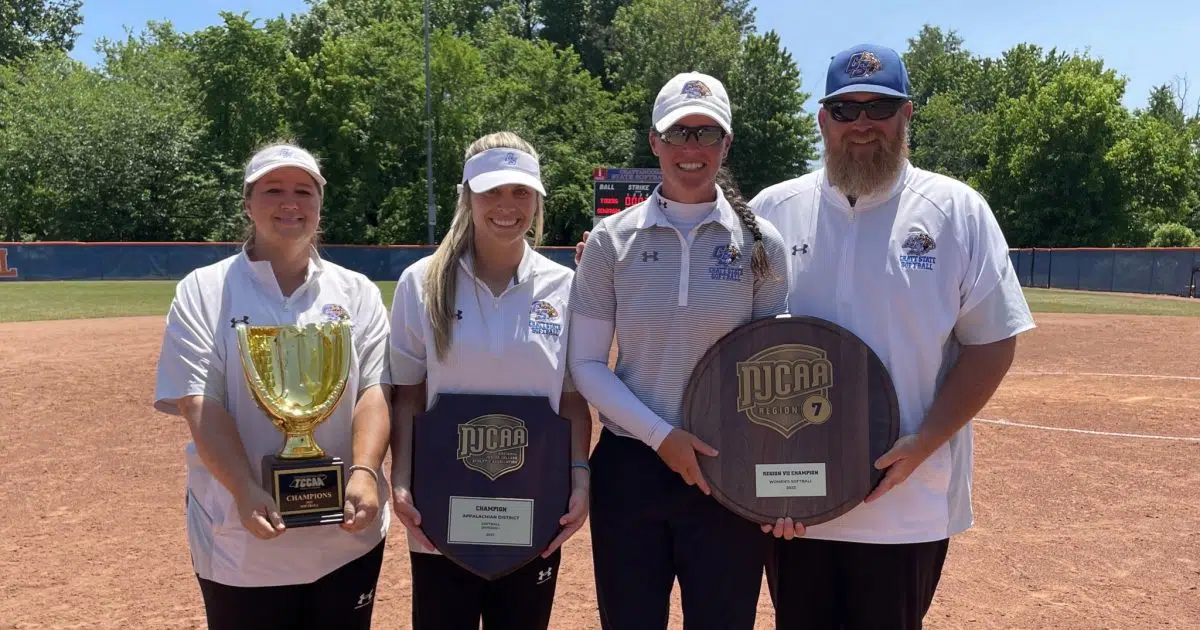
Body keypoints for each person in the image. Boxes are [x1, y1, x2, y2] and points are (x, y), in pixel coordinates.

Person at [748, 44, 1036, 629]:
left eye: (879, 109)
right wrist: (752, 478)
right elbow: (738, 347)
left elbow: (993, 342)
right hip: (795, 500)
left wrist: (925, 442)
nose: (862, 125)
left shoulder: (957, 210)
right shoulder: (770, 211)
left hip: (907, 498)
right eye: (846, 109)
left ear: (906, 115)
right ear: (822, 119)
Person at [567, 71, 791, 630]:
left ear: (726, 144)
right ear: (655, 142)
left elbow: (772, 367)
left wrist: (782, 473)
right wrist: (661, 437)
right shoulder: (610, 240)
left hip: (728, 469)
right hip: (631, 468)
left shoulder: (762, 242)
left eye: (707, 134)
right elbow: (587, 363)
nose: (692, 149)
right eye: (679, 134)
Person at [152, 142, 393, 630]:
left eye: (303, 191)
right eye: (273, 190)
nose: (290, 203)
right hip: (240, 536)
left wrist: (366, 469)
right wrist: (242, 487)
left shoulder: (357, 292)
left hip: (346, 534)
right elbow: (200, 401)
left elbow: (376, 388)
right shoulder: (203, 290)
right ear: (248, 202)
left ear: (320, 205)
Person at [387, 131, 593, 630]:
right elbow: (408, 393)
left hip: (534, 503)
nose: (507, 206)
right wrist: (401, 481)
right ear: (467, 197)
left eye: (521, 192)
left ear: (538, 199)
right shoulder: (422, 283)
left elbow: (571, 400)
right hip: (442, 508)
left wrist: (579, 478)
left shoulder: (564, 287)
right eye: (492, 191)